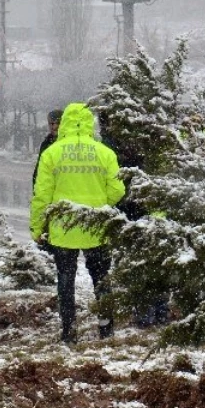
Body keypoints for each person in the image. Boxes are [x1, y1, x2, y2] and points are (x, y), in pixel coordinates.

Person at [30, 102, 125, 343]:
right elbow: (117, 190)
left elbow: (42, 194)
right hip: (97, 226)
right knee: (101, 278)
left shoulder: (52, 153)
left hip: (63, 229)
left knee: (65, 279)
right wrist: (100, 204)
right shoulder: (104, 152)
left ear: (65, 124)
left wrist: (37, 227)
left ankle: (69, 331)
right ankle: (106, 327)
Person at [31, 108, 64, 186]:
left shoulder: (70, 143)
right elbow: (38, 171)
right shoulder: (46, 144)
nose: (54, 127)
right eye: (51, 123)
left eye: (58, 123)